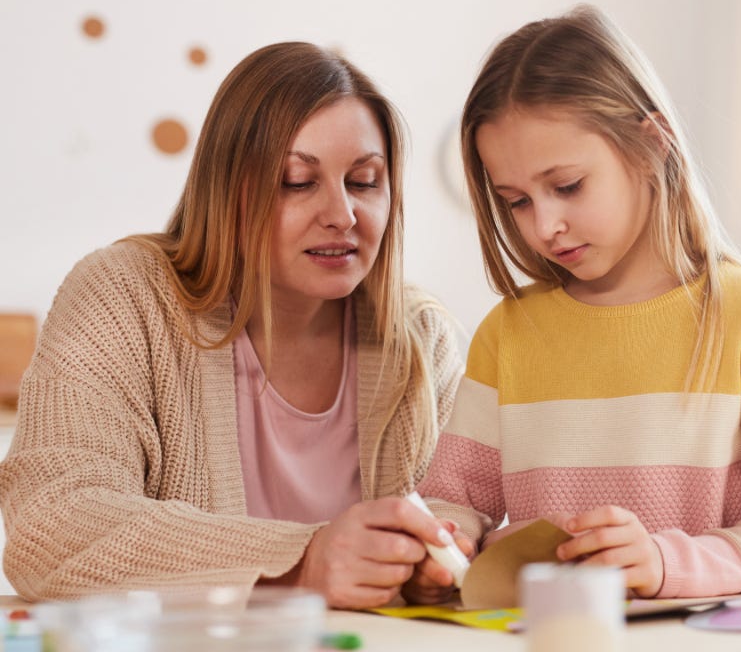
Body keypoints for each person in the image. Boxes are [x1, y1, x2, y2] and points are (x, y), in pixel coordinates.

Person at [0, 42, 469, 609]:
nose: (342, 214)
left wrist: (438, 559)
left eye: (365, 181)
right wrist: (303, 561)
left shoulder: (422, 338)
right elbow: (52, 526)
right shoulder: (121, 297)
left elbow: (455, 508)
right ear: (227, 191)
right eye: (298, 181)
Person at [407, 5, 741, 602]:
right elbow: (453, 502)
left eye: (567, 186)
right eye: (516, 201)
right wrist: (442, 546)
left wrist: (664, 562)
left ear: (651, 144)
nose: (545, 227)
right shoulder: (508, 332)